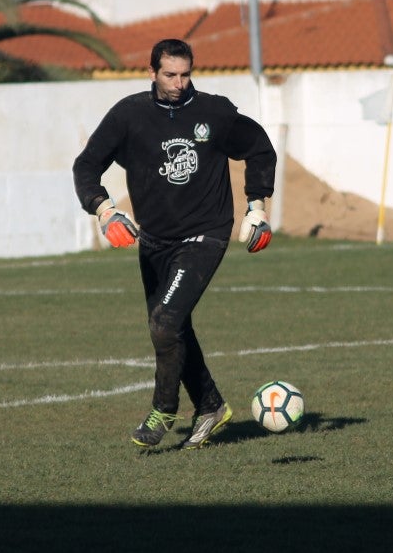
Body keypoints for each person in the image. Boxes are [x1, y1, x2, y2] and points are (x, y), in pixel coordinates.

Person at [73, 38, 277, 450]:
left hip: (205, 233)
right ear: (152, 73)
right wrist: (104, 211)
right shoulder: (129, 115)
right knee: (173, 328)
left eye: (185, 74)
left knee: (164, 323)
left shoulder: (214, 113)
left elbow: (259, 148)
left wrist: (256, 207)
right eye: (170, 75)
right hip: (154, 240)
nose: (179, 83)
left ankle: (163, 410)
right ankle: (210, 406)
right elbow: (87, 165)